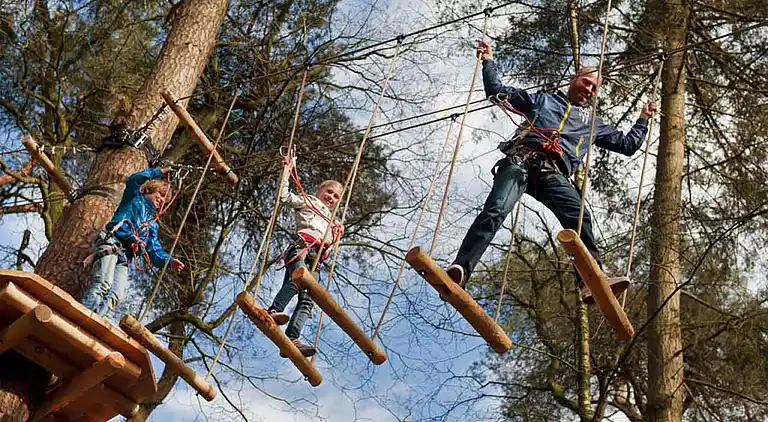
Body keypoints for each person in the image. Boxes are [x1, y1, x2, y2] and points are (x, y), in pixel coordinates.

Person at [446, 41, 658, 303]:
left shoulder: (592, 124)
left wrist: (643, 119)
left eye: (595, 88)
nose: (590, 90)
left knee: (578, 216)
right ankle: (461, 269)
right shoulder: (541, 100)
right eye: (587, 83)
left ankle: (590, 282)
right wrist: (489, 61)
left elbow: (627, 145)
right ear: (574, 79)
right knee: (496, 210)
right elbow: (496, 91)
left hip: (552, 174)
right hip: (520, 162)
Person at [82, 167, 184, 317]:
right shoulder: (134, 198)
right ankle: (82, 314)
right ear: (149, 190)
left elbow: (154, 251)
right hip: (113, 242)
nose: (162, 200)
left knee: (116, 294)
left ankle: (93, 319)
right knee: (103, 283)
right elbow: (135, 179)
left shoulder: (152, 224)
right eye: (160, 194)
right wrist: (159, 172)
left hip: (125, 257)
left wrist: (169, 261)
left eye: (165, 200)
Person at [267, 157, 343, 357]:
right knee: (298, 281)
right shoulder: (309, 201)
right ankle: (273, 310)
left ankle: (292, 338)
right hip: (301, 247)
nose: (331, 197)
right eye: (329, 192)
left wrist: (336, 236)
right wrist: (286, 171)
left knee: (309, 299)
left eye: (335, 196)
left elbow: (327, 245)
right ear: (319, 191)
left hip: (316, 259)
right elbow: (283, 196)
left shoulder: (331, 222)